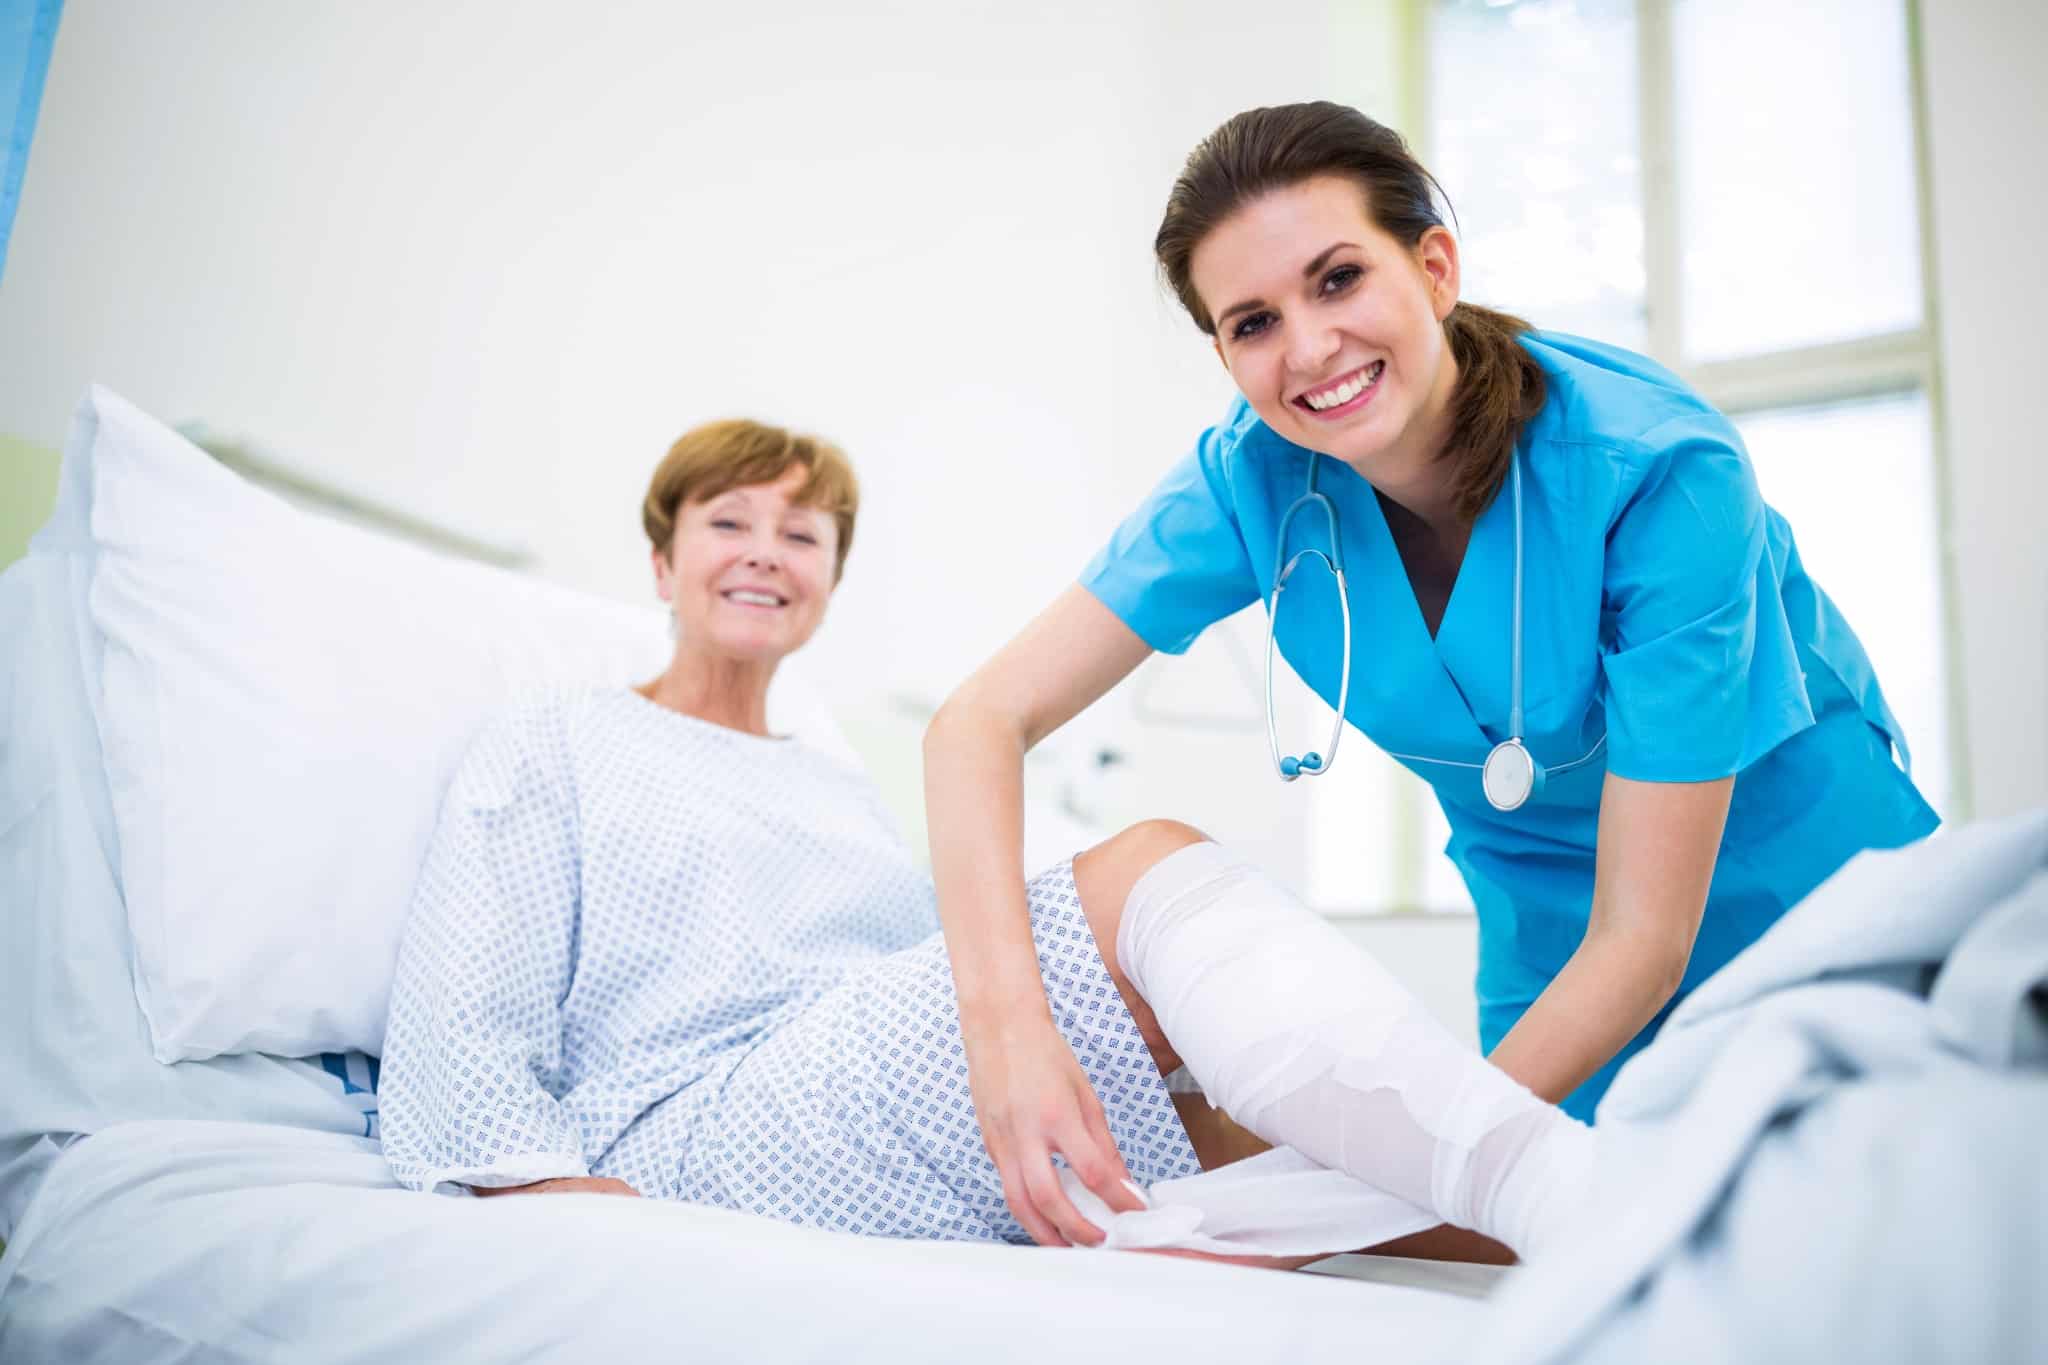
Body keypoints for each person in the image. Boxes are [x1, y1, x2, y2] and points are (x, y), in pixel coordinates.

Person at [921, 101, 1939, 1249]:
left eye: (1337, 279)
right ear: (1221, 353)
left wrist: (1393, 1188)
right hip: (1549, 935)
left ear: (1434, 266)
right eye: (1252, 320)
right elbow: (975, 723)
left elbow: (1646, 937)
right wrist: (1006, 1029)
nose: (1306, 349)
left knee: (1873, 1245)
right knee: (1589, 1266)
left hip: (1798, 883)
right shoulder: (1252, 484)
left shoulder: (1656, 469)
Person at [376, 416, 1595, 1263]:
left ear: (829, 581)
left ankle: (1623, 1231)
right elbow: (464, 995)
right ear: (661, 559)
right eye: (726, 522)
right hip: (693, 1123)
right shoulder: (557, 742)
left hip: (855, 1091)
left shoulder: (833, 787)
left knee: (1274, 1137)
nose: (763, 551)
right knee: (1140, 872)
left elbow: (909, 974)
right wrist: (537, 1185)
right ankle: (1572, 1187)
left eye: (800, 535)